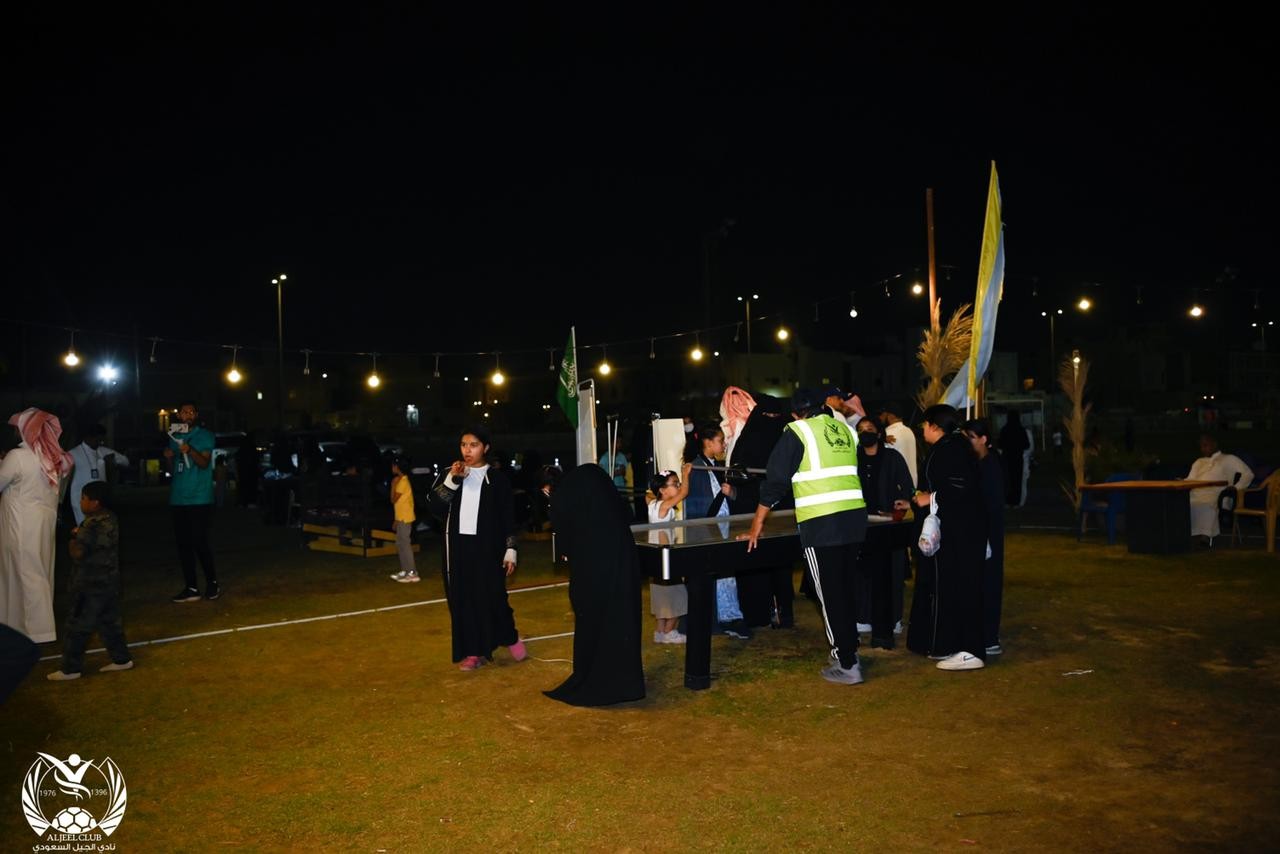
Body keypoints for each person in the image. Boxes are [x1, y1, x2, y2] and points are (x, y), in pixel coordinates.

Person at [744, 388, 869, 685]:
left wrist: (757, 524)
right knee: (845, 588)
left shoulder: (798, 431)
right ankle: (850, 650)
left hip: (821, 522)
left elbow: (775, 481)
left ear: (795, 414)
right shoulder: (845, 430)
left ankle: (846, 662)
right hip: (853, 520)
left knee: (830, 594)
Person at [544, 464, 646, 706]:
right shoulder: (596, 479)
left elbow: (563, 535)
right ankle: (627, 683)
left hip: (591, 568)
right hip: (622, 561)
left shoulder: (564, 496)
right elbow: (626, 513)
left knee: (594, 624)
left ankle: (596, 680)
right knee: (622, 622)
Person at [428, 427, 526, 671]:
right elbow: (434, 508)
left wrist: (510, 549)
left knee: (495, 598)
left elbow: (507, 518)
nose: (467, 450)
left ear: (486, 447)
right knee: (464, 601)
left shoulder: (498, 479)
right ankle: (474, 652)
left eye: (474, 445)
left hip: (488, 549)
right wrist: (453, 480)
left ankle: (510, 636)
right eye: (464, 445)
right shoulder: (450, 473)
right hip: (458, 549)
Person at [909, 404, 988, 671]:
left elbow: (962, 487)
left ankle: (971, 649)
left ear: (934, 426)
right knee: (952, 586)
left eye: (924, 424)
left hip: (962, 532)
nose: (922, 429)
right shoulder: (952, 446)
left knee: (965, 586)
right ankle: (954, 644)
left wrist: (929, 498)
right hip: (956, 530)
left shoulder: (952, 448)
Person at [0, 408, 74, 644]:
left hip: (20, 524)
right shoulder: (54, 457)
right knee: (38, 573)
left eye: (17, 427)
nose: (15, 431)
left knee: (26, 575)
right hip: (43, 523)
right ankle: (21, 627)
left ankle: (36, 631)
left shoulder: (18, 456)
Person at [47, 482, 133, 680]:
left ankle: (70, 669)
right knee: (110, 623)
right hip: (110, 581)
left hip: (89, 585)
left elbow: (78, 553)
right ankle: (121, 659)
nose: (81, 502)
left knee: (77, 626)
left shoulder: (90, 525)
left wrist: (72, 539)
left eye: (84, 498)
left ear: (95, 503)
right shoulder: (111, 518)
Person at [852, 416, 913, 649]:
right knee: (862, 573)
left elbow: (906, 487)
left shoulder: (892, 458)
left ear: (879, 433)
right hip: (861, 524)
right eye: (860, 430)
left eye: (869, 429)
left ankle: (893, 618)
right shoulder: (853, 458)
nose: (865, 433)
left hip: (887, 525)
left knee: (891, 573)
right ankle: (863, 617)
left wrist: (899, 508)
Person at [685, 423, 749, 638]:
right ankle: (725, 617)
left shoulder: (715, 467)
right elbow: (695, 504)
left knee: (726, 575)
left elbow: (726, 496)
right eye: (721, 441)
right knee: (720, 575)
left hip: (722, 528)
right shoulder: (697, 468)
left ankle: (729, 615)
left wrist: (731, 493)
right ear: (708, 442)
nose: (724, 444)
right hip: (709, 530)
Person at [165, 401, 220, 603]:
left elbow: (204, 463)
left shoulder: (205, 435)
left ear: (196, 415)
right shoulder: (174, 436)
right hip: (178, 498)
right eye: (184, 412)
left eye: (191, 412)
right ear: (178, 416)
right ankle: (191, 587)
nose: (187, 414)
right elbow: (172, 470)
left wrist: (190, 450)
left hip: (199, 497)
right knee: (183, 544)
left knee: (200, 541)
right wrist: (168, 457)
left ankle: (212, 583)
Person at [963, 419, 1006, 656]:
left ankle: (990, 638)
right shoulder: (976, 463)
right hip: (978, 531)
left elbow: (991, 504)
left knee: (989, 584)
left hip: (988, 532)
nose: (967, 442)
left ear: (983, 439)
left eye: (971, 437)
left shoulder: (991, 465)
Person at [646, 465, 692, 644]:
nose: (679, 486)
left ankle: (660, 632)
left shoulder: (653, 505)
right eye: (675, 484)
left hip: (657, 558)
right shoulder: (664, 506)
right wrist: (685, 474)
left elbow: (648, 496)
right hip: (667, 558)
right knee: (679, 597)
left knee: (661, 598)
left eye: (678, 483)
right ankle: (669, 631)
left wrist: (654, 493)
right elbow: (685, 493)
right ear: (663, 490)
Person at [1187, 433, 1253, 541]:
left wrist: (1236, 487)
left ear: (1214, 444)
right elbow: (1190, 479)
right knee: (1181, 503)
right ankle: (1184, 535)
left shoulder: (1229, 458)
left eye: (1206, 445)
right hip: (1196, 492)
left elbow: (1248, 474)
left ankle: (1205, 536)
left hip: (1219, 493)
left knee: (1206, 503)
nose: (1203, 449)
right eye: (1201, 446)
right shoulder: (1198, 461)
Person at [68, 424, 130, 525]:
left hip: (100, 501)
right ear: (88, 437)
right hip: (81, 500)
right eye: (98, 440)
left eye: (102, 440)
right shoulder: (72, 454)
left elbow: (125, 461)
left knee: (101, 529)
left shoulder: (103, 451)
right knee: (85, 529)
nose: (101, 443)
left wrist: (112, 462)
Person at [389, 456, 419, 582]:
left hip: (405, 518)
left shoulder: (402, 482)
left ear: (398, 467)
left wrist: (393, 484)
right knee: (401, 544)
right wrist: (396, 520)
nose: (392, 467)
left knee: (405, 544)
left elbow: (393, 500)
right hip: (402, 517)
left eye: (393, 465)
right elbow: (400, 504)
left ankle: (412, 572)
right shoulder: (402, 480)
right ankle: (406, 570)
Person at [878, 402, 918, 490]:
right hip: (912, 482)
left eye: (883, 414)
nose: (881, 418)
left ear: (890, 416)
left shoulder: (888, 433)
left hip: (897, 485)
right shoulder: (909, 431)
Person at [998, 410, 1031, 506]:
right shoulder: (1021, 430)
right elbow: (1027, 445)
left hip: (1007, 458)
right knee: (1017, 480)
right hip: (1017, 458)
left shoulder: (1004, 430)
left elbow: (1000, 444)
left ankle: (1008, 500)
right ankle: (1016, 501)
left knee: (1008, 480)